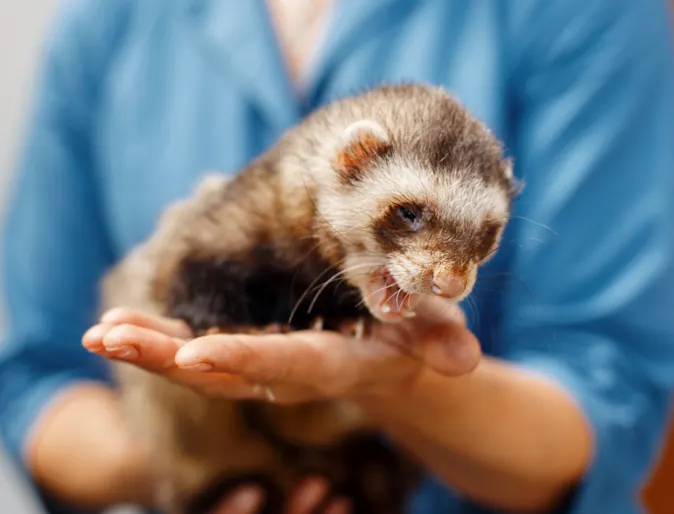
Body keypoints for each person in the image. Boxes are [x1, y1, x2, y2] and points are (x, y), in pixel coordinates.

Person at [1, 0, 674, 513]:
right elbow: (32, 380)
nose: (450, 272)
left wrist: (398, 386)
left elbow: (609, 394)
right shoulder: (108, 22)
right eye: (411, 216)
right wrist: (209, 471)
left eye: (483, 240)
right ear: (352, 164)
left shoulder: (587, 15)